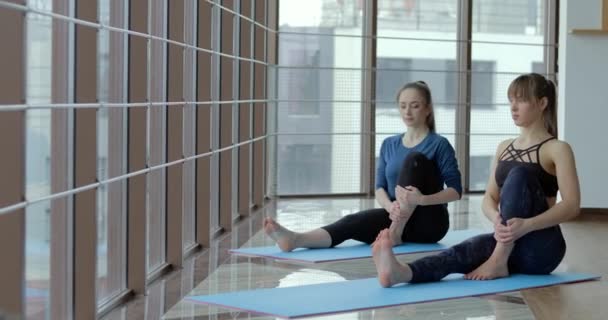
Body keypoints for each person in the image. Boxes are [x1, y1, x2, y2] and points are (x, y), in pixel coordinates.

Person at [372, 73, 581, 287]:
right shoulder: (504, 147)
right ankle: (401, 273)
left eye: (521, 100)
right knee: (460, 251)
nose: (513, 107)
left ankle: (499, 259)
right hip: (508, 239)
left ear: (542, 103)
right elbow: (489, 198)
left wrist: (527, 225)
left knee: (519, 174)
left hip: (540, 248)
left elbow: (572, 205)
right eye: (511, 100)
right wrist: (497, 221)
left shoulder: (557, 149)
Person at [264, 80, 462, 251]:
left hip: (428, 223)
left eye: (415, 106)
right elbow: (380, 188)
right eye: (402, 106)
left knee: (414, 159)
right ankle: (295, 240)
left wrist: (421, 200)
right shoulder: (389, 144)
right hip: (395, 215)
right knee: (352, 222)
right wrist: (390, 206)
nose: (407, 112)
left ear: (427, 109)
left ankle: (395, 232)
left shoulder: (439, 144)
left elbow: (455, 191)